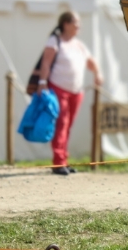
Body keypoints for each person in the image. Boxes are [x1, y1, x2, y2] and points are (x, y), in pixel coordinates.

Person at [30, 11, 103, 175]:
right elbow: (46, 63)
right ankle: (58, 162)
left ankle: (64, 159)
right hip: (58, 88)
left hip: (76, 91)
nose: (79, 26)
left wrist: (97, 74)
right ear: (66, 24)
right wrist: (42, 83)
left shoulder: (78, 45)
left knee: (68, 125)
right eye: (75, 22)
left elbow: (91, 62)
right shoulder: (55, 41)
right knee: (61, 124)